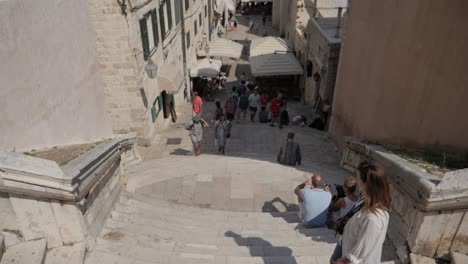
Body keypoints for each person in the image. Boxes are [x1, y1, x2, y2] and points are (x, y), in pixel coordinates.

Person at [332, 162, 392, 264]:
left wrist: (345, 260)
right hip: (346, 243)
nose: (357, 182)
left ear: (366, 184)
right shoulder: (367, 199)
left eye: (358, 178)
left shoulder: (373, 218)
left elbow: (365, 245)